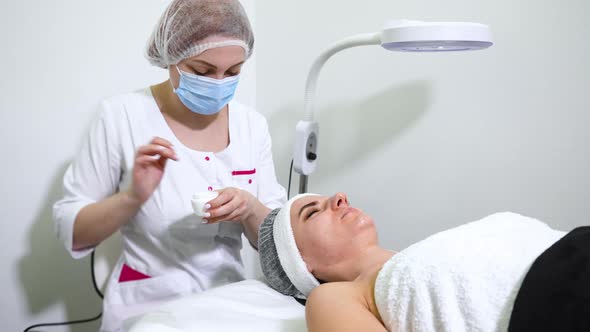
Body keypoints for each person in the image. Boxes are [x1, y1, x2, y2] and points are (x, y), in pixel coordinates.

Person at [53, 1, 286, 331]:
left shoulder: (252, 126)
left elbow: (277, 243)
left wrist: (249, 208)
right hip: (145, 306)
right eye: (203, 71)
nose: (219, 82)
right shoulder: (121, 116)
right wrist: (132, 197)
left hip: (228, 303)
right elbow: (72, 231)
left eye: (233, 72)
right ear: (171, 57)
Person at [258, 193, 586, 332]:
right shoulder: (332, 298)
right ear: (303, 265)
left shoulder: (425, 254)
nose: (340, 197)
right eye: (312, 212)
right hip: (559, 298)